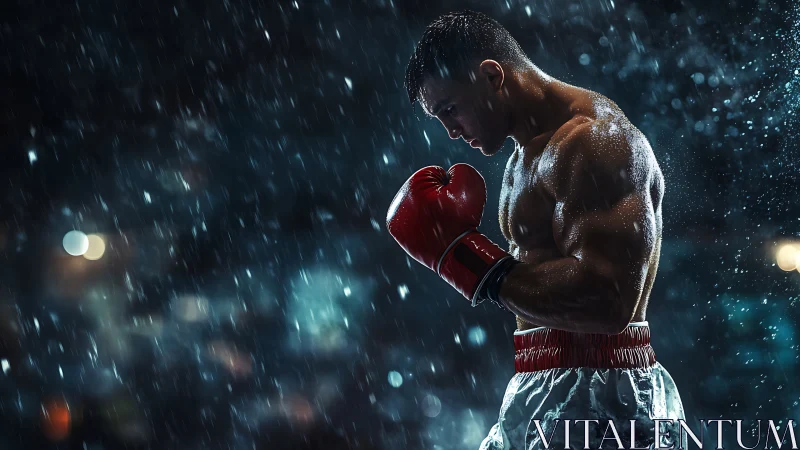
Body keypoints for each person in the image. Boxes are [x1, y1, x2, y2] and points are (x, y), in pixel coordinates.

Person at [386, 10, 686, 450]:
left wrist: (468, 262)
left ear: (492, 75)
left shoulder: (595, 140)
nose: (450, 131)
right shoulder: (522, 158)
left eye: (450, 110)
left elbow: (608, 300)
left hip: (601, 393)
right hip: (543, 380)